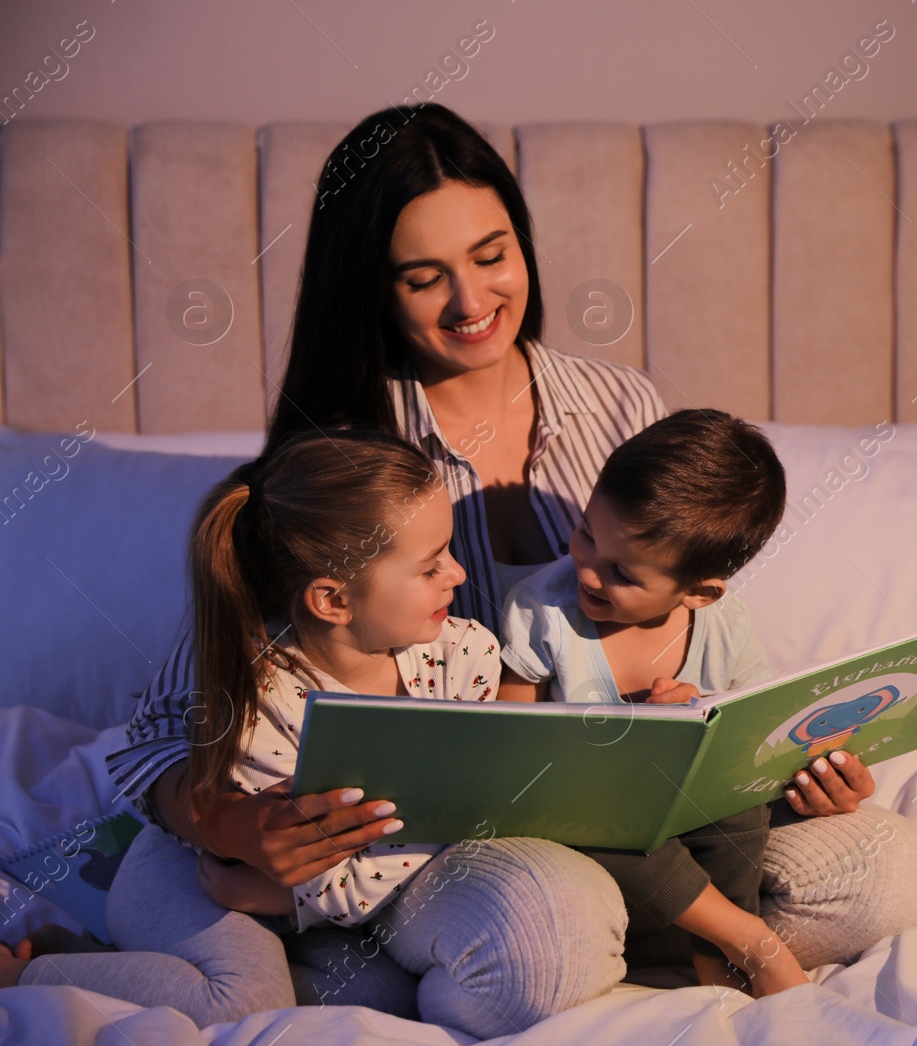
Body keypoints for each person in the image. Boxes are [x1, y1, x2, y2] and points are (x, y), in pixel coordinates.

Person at [99, 102, 917, 1006]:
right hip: (459, 842)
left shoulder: (618, 404)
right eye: (424, 278)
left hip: (632, 814)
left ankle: (547, 948)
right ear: (371, 290)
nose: (472, 303)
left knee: (888, 871)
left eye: (492, 257)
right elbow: (162, 733)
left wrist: (788, 769)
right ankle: (502, 947)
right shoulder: (340, 463)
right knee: (549, 923)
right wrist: (230, 819)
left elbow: (693, 634)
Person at [2, 433, 626, 1037]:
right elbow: (148, 752)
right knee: (245, 999)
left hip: (321, 900)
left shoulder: (465, 661)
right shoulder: (258, 690)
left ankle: (98, 959)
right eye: (432, 564)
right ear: (332, 600)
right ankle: (31, 972)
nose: (459, 575)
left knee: (377, 999)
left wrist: (291, 905)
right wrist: (242, 845)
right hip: (199, 871)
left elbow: (455, 826)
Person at [498, 408, 808, 995]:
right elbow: (516, 749)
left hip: (681, 827)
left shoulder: (725, 624)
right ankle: (742, 938)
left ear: (699, 593)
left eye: (623, 573)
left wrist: (701, 715)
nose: (588, 571)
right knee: (593, 814)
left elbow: (752, 742)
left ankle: (711, 957)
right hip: (587, 827)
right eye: (587, 532)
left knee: (737, 808)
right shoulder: (539, 610)